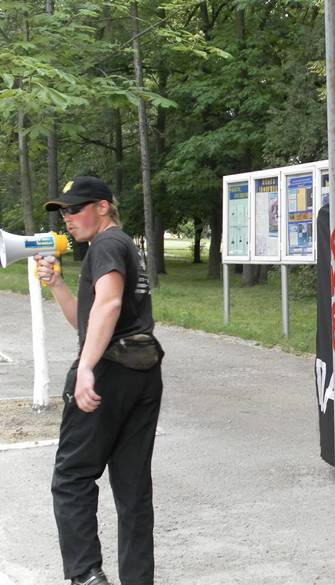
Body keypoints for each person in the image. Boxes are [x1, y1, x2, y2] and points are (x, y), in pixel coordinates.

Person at [37, 176, 164, 585]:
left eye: (76, 209)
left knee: (72, 477)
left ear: (103, 207)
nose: (68, 218)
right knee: (132, 487)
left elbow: (108, 305)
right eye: (64, 212)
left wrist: (86, 368)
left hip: (109, 371)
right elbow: (87, 321)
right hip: (142, 368)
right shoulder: (122, 245)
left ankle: (87, 576)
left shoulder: (106, 245)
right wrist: (57, 284)